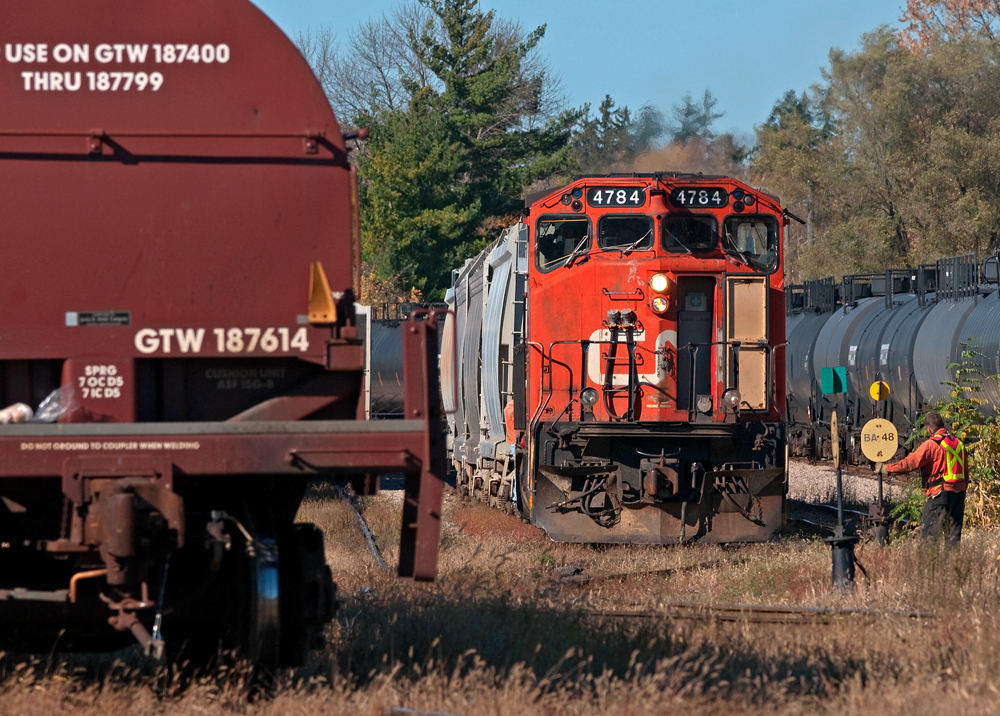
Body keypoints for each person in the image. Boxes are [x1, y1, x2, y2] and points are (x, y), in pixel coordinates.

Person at [881, 411, 967, 543]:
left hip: (940, 495)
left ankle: (929, 563)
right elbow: (965, 471)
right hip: (959, 495)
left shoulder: (931, 444)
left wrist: (887, 469)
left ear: (929, 429)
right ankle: (953, 563)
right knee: (953, 539)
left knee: (929, 539)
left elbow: (911, 463)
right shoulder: (958, 443)